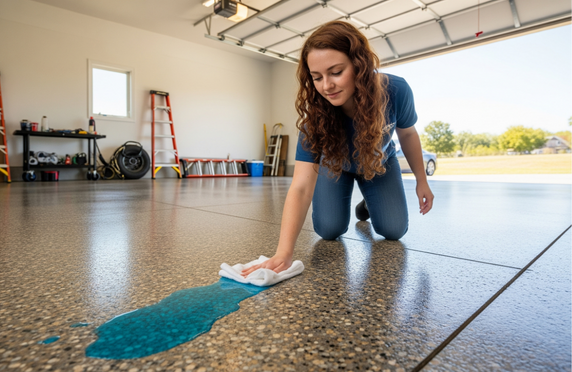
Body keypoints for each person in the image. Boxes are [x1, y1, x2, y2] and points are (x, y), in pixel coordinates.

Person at [242, 20, 434, 276]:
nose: (326, 86)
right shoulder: (316, 117)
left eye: (336, 72)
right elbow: (300, 187)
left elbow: (408, 134)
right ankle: (359, 197)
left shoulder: (396, 90)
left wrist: (422, 181)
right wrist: (283, 252)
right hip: (336, 166)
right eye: (317, 77)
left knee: (393, 232)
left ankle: (369, 203)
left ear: (359, 64)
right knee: (329, 231)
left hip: (378, 163)